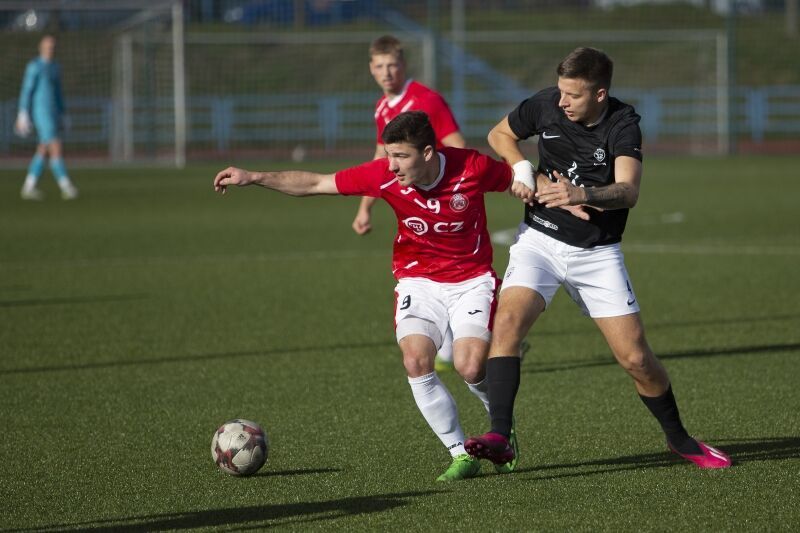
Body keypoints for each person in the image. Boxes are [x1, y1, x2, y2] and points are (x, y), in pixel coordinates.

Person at [464, 47, 731, 470]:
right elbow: (500, 134)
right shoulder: (545, 104)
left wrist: (580, 193)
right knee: (508, 323)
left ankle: (680, 440)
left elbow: (629, 191)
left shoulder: (624, 125)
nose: (562, 101)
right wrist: (520, 169)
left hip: (597, 253)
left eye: (573, 95)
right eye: (561, 92)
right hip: (540, 241)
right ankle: (500, 434)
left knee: (636, 359)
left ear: (601, 94)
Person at [214, 111, 516, 481]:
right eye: (389, 155)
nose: (391, 165)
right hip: (417, 281)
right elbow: (316, 183)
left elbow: (519, 180)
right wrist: (255, 177)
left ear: (427, 152)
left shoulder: (471, 166)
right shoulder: (384, 175)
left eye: (400, 156)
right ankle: (460, 454)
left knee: (470, 367)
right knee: (416, 362)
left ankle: (501, 432)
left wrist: (572, 198)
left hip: (472, 280)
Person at [355, 35, 467, 373]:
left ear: (403, 65)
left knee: (456, 270)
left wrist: (451, 187)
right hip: (410, 202)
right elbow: (379, 160)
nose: (387, 72)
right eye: (379, 66)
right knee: (427, 269)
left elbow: (456, 144)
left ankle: (485, 335)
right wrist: (365, 207)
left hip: (444, 200)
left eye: (392, 65)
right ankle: (456, 345)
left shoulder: (426, 100)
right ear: (371, 69)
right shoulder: (382, 107)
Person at [15, 35, 78, 201]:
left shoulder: (55, 67)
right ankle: (66, 185)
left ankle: (29, 186)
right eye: (48, 47)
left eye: (53, 47)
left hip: (52, 112)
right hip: (40, 112)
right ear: (41, 48)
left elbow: (58, 93)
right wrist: (23, 112)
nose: (51, 50)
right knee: (55, 146)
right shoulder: (34, 66)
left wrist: (63, 113)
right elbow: (27, 90)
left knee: (43, 149)